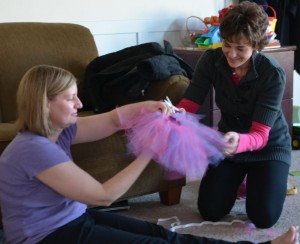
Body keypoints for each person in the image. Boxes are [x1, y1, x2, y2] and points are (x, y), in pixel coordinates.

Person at [0, 64, 298, 244]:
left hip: (73, 219)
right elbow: (102, 196)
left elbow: (115, 119)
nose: (79, 103)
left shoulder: (60, 129)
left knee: (162, 235)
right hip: (48, 237)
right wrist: (147, 153)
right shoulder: (32, 149)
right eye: (70, 98)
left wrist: (149, 107)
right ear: (44, 105)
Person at [176, 1, 292, 229]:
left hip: (268, 148)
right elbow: (190, 101)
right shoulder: (211, 60)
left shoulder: (272, 74)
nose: (231, 53)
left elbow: (260, 135)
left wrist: (238, 142)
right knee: (210, 210)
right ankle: (242, 180)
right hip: (229, 146)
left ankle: (270, 178)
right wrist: (176, 113)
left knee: (263, 217)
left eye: (241, 48)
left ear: (257, 46)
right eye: (227, 44)